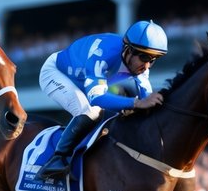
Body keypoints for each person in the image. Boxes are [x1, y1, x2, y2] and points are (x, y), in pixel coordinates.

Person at [36, 19, 167, 180]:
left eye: (152, 60)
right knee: (89, 112)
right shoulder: (105, 53)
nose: (147, 66)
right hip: (56, 73)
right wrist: (135, 103)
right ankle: (57, 160)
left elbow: (146, 101)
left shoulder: (138, 65)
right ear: (128, 50)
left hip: (84, 80)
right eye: (144, 58)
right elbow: (96, 98)